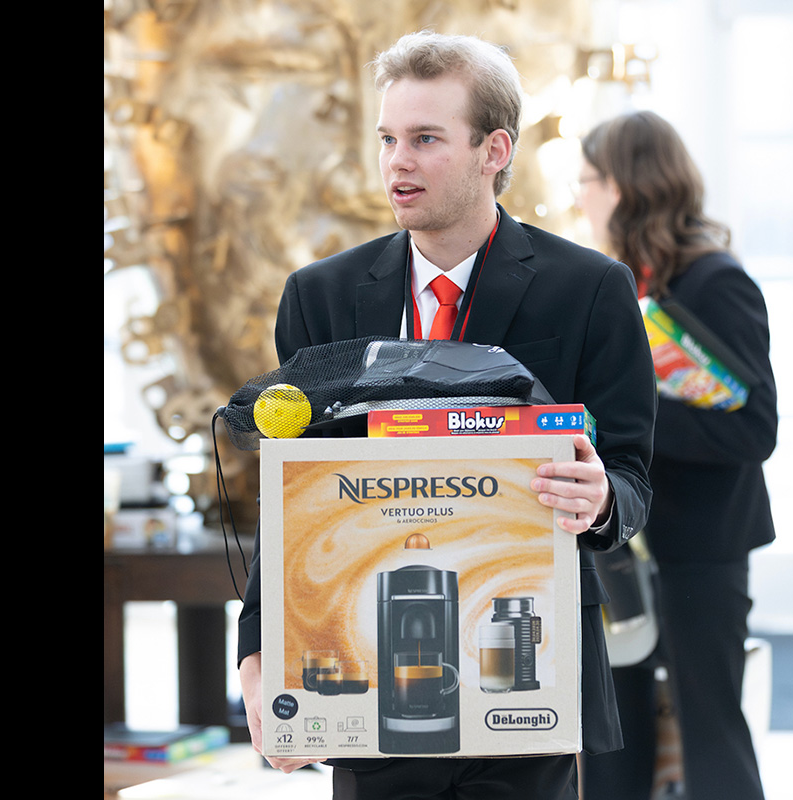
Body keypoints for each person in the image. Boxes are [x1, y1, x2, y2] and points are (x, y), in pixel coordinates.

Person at [235, 31, 657, 800]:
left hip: (525, 669)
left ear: (494, 149)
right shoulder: (319, 297)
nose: (397, 160)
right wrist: (257, 651)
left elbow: (629, 475)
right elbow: (289, 495)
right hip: (362, 662)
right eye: (389, 138)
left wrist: (600, 500)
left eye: (425, 139)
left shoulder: (590, 289)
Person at [575, 110, 778, 800]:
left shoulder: (716, 282)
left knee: (708, 733)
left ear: (627, 186)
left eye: (588, 180)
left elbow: (755, 430)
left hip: (701, 548)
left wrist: (629, 419)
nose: (579, 197)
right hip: (621, 549)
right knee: (612, 737)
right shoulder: (619, 284)